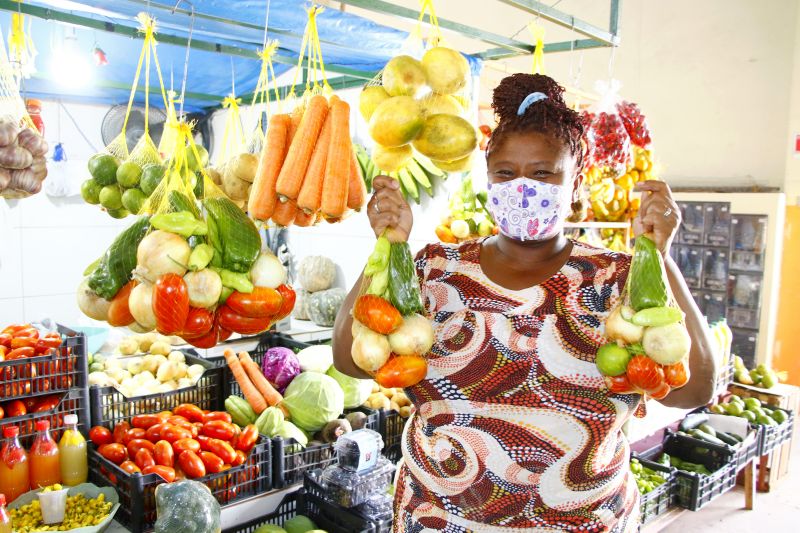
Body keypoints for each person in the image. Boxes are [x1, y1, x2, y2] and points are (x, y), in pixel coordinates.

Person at [333, 73, 717, 532]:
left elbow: (697, 390)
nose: (523, 187)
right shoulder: (435, 268)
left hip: (582, 522)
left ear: (575, 184)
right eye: (505, 173)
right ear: (488, 179)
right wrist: (388, 248)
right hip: (438, 520)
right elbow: (350, 360)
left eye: (543, 172)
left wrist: (659, 258)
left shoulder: (617, 277)